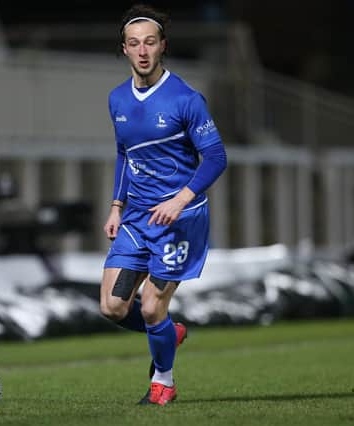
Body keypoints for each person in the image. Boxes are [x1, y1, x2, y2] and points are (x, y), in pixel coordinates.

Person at [100, 4, 227, 406]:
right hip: (136, 218)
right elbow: (124, 153)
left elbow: (216, 157)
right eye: (134, 43)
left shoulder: (186, 99)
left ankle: (164, 384)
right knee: (113, 307)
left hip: (179, 220)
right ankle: (169, 334)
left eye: (150, 43)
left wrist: (181, 198)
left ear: (162, 47)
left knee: (152, 307)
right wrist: (116, 205)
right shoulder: (117, 99)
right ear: (124, 49)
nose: (142, 51)